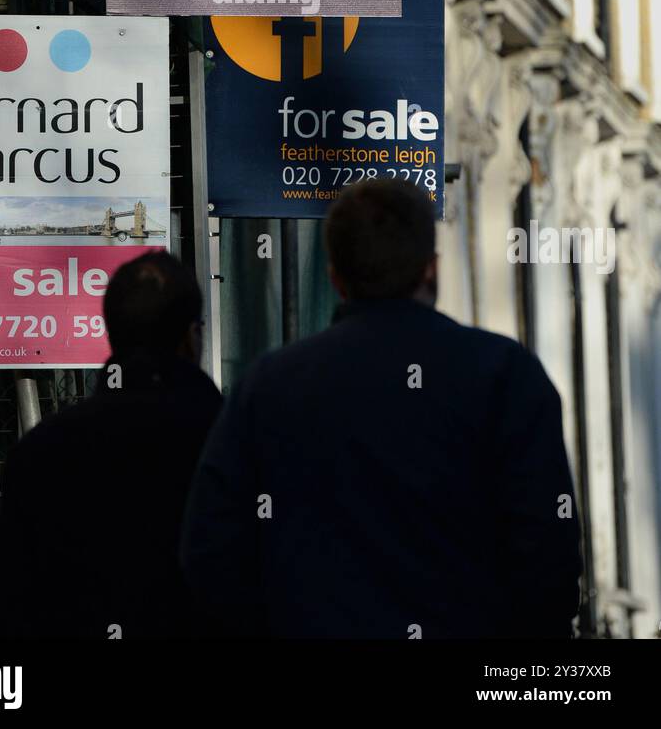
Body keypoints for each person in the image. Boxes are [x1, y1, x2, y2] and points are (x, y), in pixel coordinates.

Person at [181, 179, 582, 639]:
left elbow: (211, 551)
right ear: (432, 270)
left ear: (335, 278)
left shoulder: (269, 385)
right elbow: (547, 549)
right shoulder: (505, 375)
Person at [0, 251, 221, 638]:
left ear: (110, 334)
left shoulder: (41, 451)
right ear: (191, 339)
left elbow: (8, 610)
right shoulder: (231, 441)